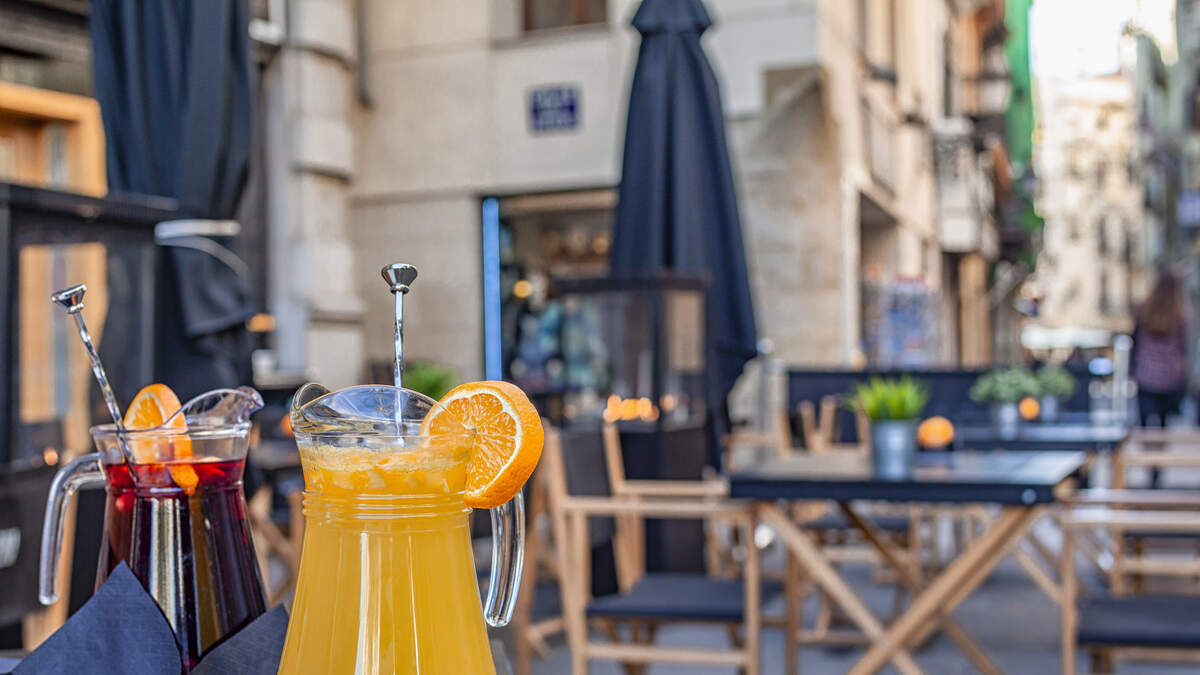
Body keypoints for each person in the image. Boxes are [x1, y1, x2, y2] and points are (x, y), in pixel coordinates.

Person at [1131, 271, 1188, 428]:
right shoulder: (1180, 315)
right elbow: (1183, 346)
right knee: (1163, 424)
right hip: (1170, 375)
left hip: (1145, 372)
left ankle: (1146, 444)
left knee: (1144, 423)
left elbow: (1135, 341)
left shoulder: (1144, 310)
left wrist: (1133, 367)